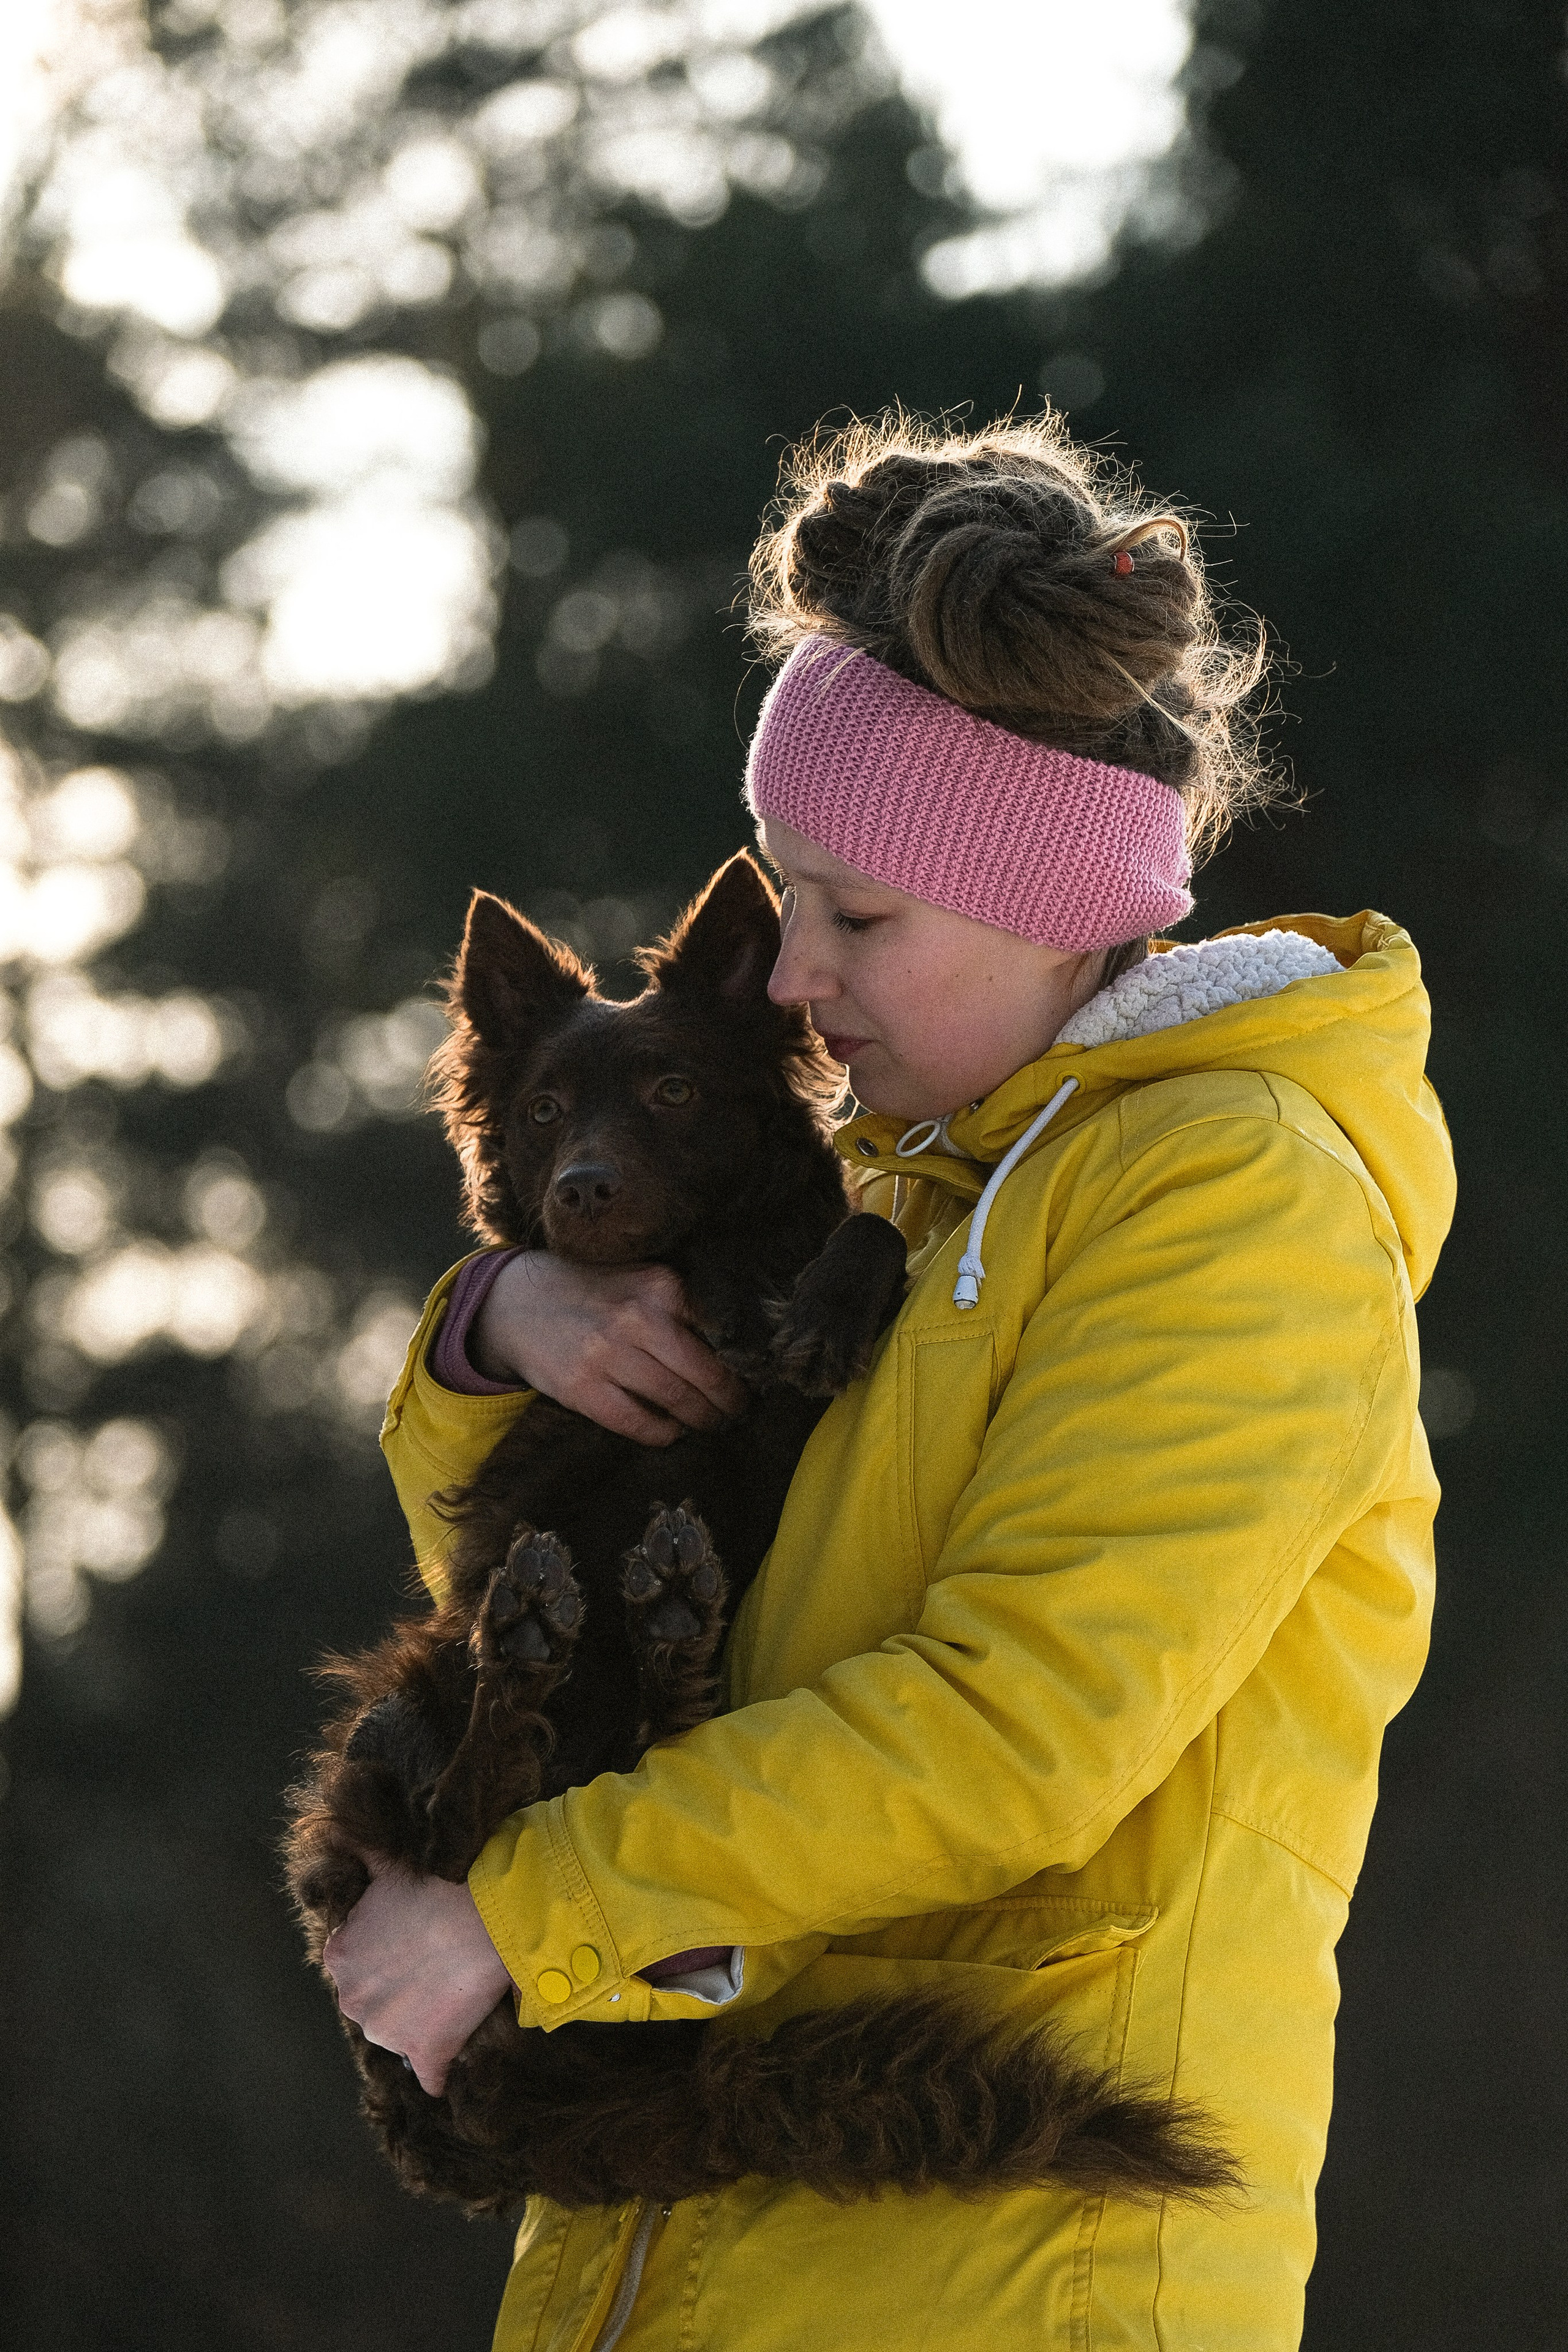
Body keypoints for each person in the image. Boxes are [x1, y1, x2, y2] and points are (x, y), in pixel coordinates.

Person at [323, 413, 1455, 2351]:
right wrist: (497, 1327)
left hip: (1019, 2265)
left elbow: (1020, 1727)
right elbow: (531, 1580)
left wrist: (525, 1911)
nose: (783, 978)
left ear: (1051, 903)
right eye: (786, 898)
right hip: (703, 2246)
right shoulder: (899, 1205)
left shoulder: (1232, 1197)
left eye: (860, 918)